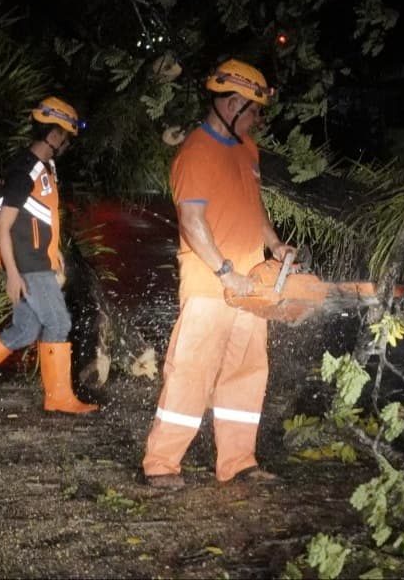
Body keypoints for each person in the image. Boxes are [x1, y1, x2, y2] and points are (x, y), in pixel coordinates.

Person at [141, 58, 295, 490]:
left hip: (251, 284)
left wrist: (276, 244)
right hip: (212, 285)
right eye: (254, 112)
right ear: (230, 104)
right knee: (191, 372)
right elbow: (193, 222)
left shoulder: (246, 149)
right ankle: (161, 464)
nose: (258, 121)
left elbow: (252, 204)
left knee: (246, 372)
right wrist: (226, 272)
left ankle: (238, 462)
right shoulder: (195, 154)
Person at [0, 96, 98, 414]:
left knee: (25, 329)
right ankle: (59, 399)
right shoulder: (23, 171)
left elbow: (40, 218)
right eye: (66, 137)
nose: (67, 143)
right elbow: (3, 227)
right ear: (54, 135)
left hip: (37, 259)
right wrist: (13, 274)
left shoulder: (42, 169)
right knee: (57, 322)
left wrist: (54, 250)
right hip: (29, 264)